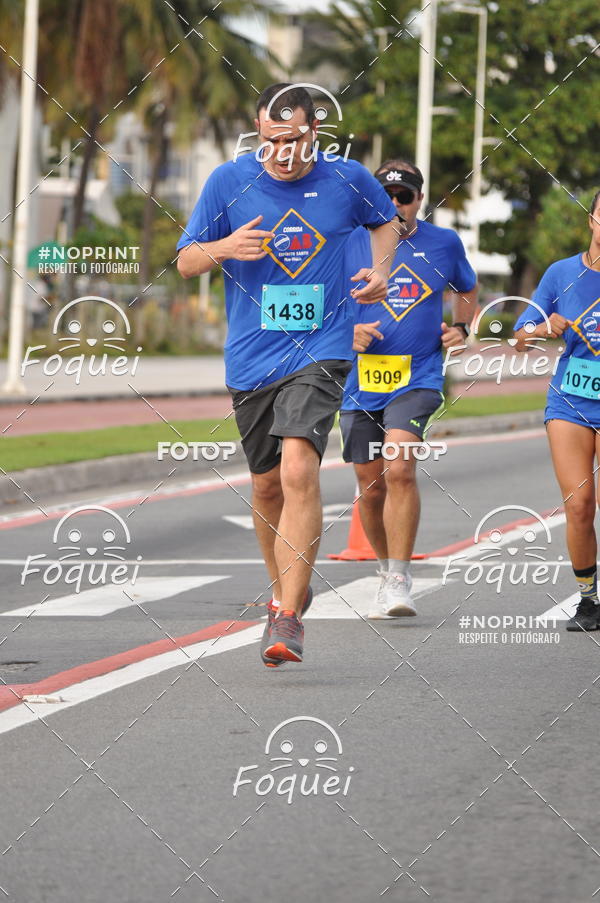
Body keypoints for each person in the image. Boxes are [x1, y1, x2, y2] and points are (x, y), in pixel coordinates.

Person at [176, 84, 399, 665]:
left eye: (293, 139)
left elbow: (386, 223)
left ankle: (289, 616)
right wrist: (225, 245)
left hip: (322, 347)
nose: (281, 150)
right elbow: (185, 260)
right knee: (267, 485)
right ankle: (281, 592)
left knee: (300, 463)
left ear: (315, 133)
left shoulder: (347, 179)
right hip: (251, 356)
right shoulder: (228, 181)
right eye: (270, 139)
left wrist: (379, 272)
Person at [340, 159, 478, 618]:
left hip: (417, 375)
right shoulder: (349, 240)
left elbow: (466, 287)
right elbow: (318, 301)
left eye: (406, 196)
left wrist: (461, 326)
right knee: (370, 485)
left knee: (399, 467)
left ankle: (400, 576)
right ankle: (384, 568)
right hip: (358, 380)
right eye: (388, 196)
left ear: (420, 199)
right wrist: (346, 334)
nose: (397, 204)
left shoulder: (443, 242)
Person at [514, 189, 600, 632]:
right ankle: (588, 598)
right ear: (592, 220)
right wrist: (544, 326)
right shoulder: (561, 273)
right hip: (571, 401)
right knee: (580, 504)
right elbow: (519, 334)